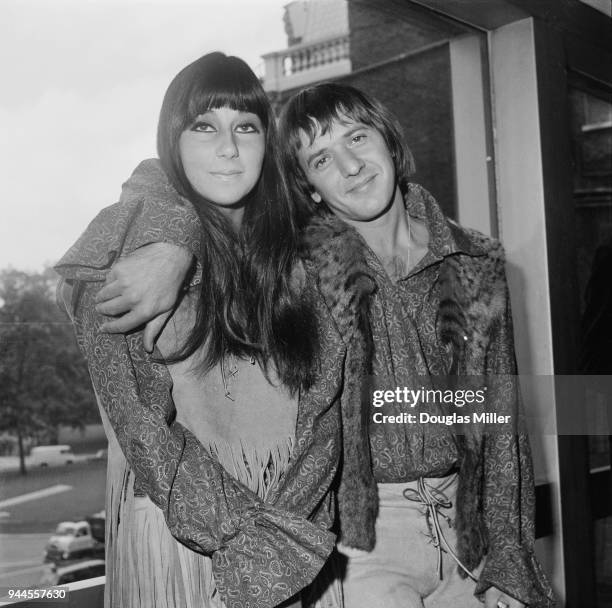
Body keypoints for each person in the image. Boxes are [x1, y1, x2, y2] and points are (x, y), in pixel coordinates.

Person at [93, 83, 556, 608]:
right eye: (321, 159)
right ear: (309, 187)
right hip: (355, 546)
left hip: (469, 536)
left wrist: (510, 559)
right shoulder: (298, 265)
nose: (351, 165)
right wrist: (173, 242)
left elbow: (502, 423)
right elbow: (163, 175)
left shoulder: (477, 258)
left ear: (390, 143)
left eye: (358, 138)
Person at [55, 54, 345, 608]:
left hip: (293, 533)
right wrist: (247, 540)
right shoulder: (127, 251)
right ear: (173, 138)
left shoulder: (301, 258)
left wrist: (284, 533)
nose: (229, 149)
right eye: (204, 127)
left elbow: (324, 415)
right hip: (187, 540)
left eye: (246, 127)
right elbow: (139, 420)